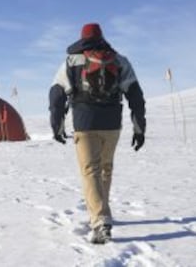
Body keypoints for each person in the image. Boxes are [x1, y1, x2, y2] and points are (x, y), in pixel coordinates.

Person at [49, 23, 146, 244]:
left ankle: (100, 220)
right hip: (112, 123)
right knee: (105, 167)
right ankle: (103, 211)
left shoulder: (72, 61)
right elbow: (136, 97)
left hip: (85, 122)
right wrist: (139, 128)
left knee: (90, 170)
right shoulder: (120, 61)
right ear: (102, 37)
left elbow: (56, 96)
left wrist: (57, 125)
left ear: (82, 39)